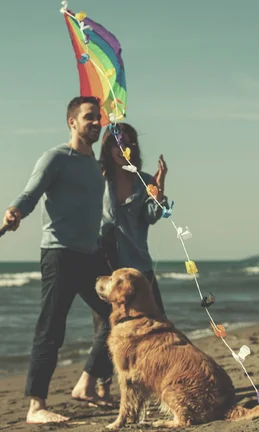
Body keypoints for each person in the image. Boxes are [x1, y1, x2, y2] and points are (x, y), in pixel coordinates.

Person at [3, 96, 114, 424]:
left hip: (90, 255)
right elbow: (30, 194)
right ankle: (36, 406)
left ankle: (86, 383)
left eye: (99, 118)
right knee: (51, 328)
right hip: (60, 254)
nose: (96, 123)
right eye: (89, 117)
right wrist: (15, 211)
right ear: (72, 122)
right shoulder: (56, 158)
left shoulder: (96, 167)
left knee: (119, 314)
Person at [71, 122, 170, 401]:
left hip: (139, 265)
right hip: (106, 264)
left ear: (133, 146)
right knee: (108, 327)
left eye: (126, 142)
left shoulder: (143, 179)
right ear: (106, 147)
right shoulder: (98, 177)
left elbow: (153, 215)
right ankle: (102, 385)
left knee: (156, 322)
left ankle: (156, 377)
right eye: (115, 143)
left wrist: (159, 187)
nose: (120, 147)